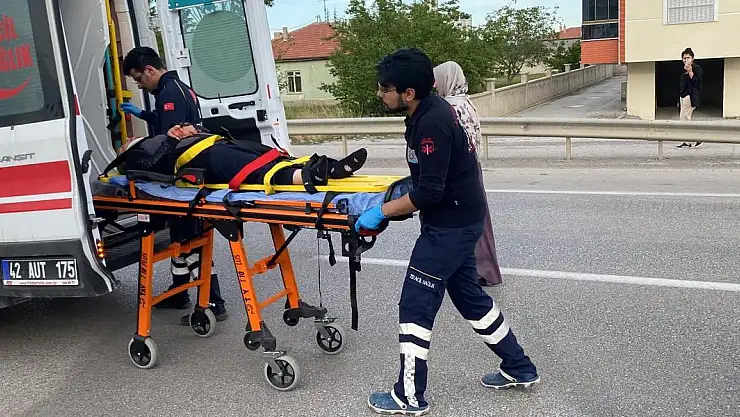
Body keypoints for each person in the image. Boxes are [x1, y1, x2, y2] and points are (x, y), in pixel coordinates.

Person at [355, 48, 539, 416]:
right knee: (470, 298)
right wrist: (396, 194)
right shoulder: (424, 113)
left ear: (408, 93)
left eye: (385, 88)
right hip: (459, 218)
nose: (380, 93)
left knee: (414, 305)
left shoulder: (433, 124)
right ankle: (519, 367)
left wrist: (381, 212)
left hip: (449, 228)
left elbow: (429, 193)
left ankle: (409, 396)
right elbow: (430, 176)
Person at [120, 47, 223, 323]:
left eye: (138, 79)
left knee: (189, 238)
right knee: (180, 237)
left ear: (149, 70)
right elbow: (167, 123)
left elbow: (169, 140)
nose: (140, 85)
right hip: (190, 173)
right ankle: (180, 292)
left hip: (182, 179)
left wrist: (140, 160)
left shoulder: (169, 94)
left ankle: (214, 301)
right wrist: (143, 114)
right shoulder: (177, 88)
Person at [433, 61, 503, 287]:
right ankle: (485, 269)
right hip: (473, 167)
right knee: (479, 220)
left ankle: (473, 271)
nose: (435, 85)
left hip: (459, 171)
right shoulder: (467, 102)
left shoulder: (450, 107)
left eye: (438, 79)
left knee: (460, 222)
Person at [119, 124, 368, 187]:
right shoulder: (133, 158)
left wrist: (191, 129)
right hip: (202, 161)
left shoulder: (150, 140)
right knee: (255, 170)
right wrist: (172, 140)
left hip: (213, 145)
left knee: (271, 156)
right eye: (124, 143)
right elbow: (154, 166)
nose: (128, 138)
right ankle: (311, 176)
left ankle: (332, 167)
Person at [676, 47, 703, 148]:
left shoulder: (697, 68)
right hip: (683, 97)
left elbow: (697, 83)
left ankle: (694, 139)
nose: (686, 60)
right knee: (684, 119)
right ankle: (688, 140)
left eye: (688, 57)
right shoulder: (682, 70)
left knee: (685, 119)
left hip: (690, 97)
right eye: (684, 58)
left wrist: (691, 71)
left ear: (692, 58)